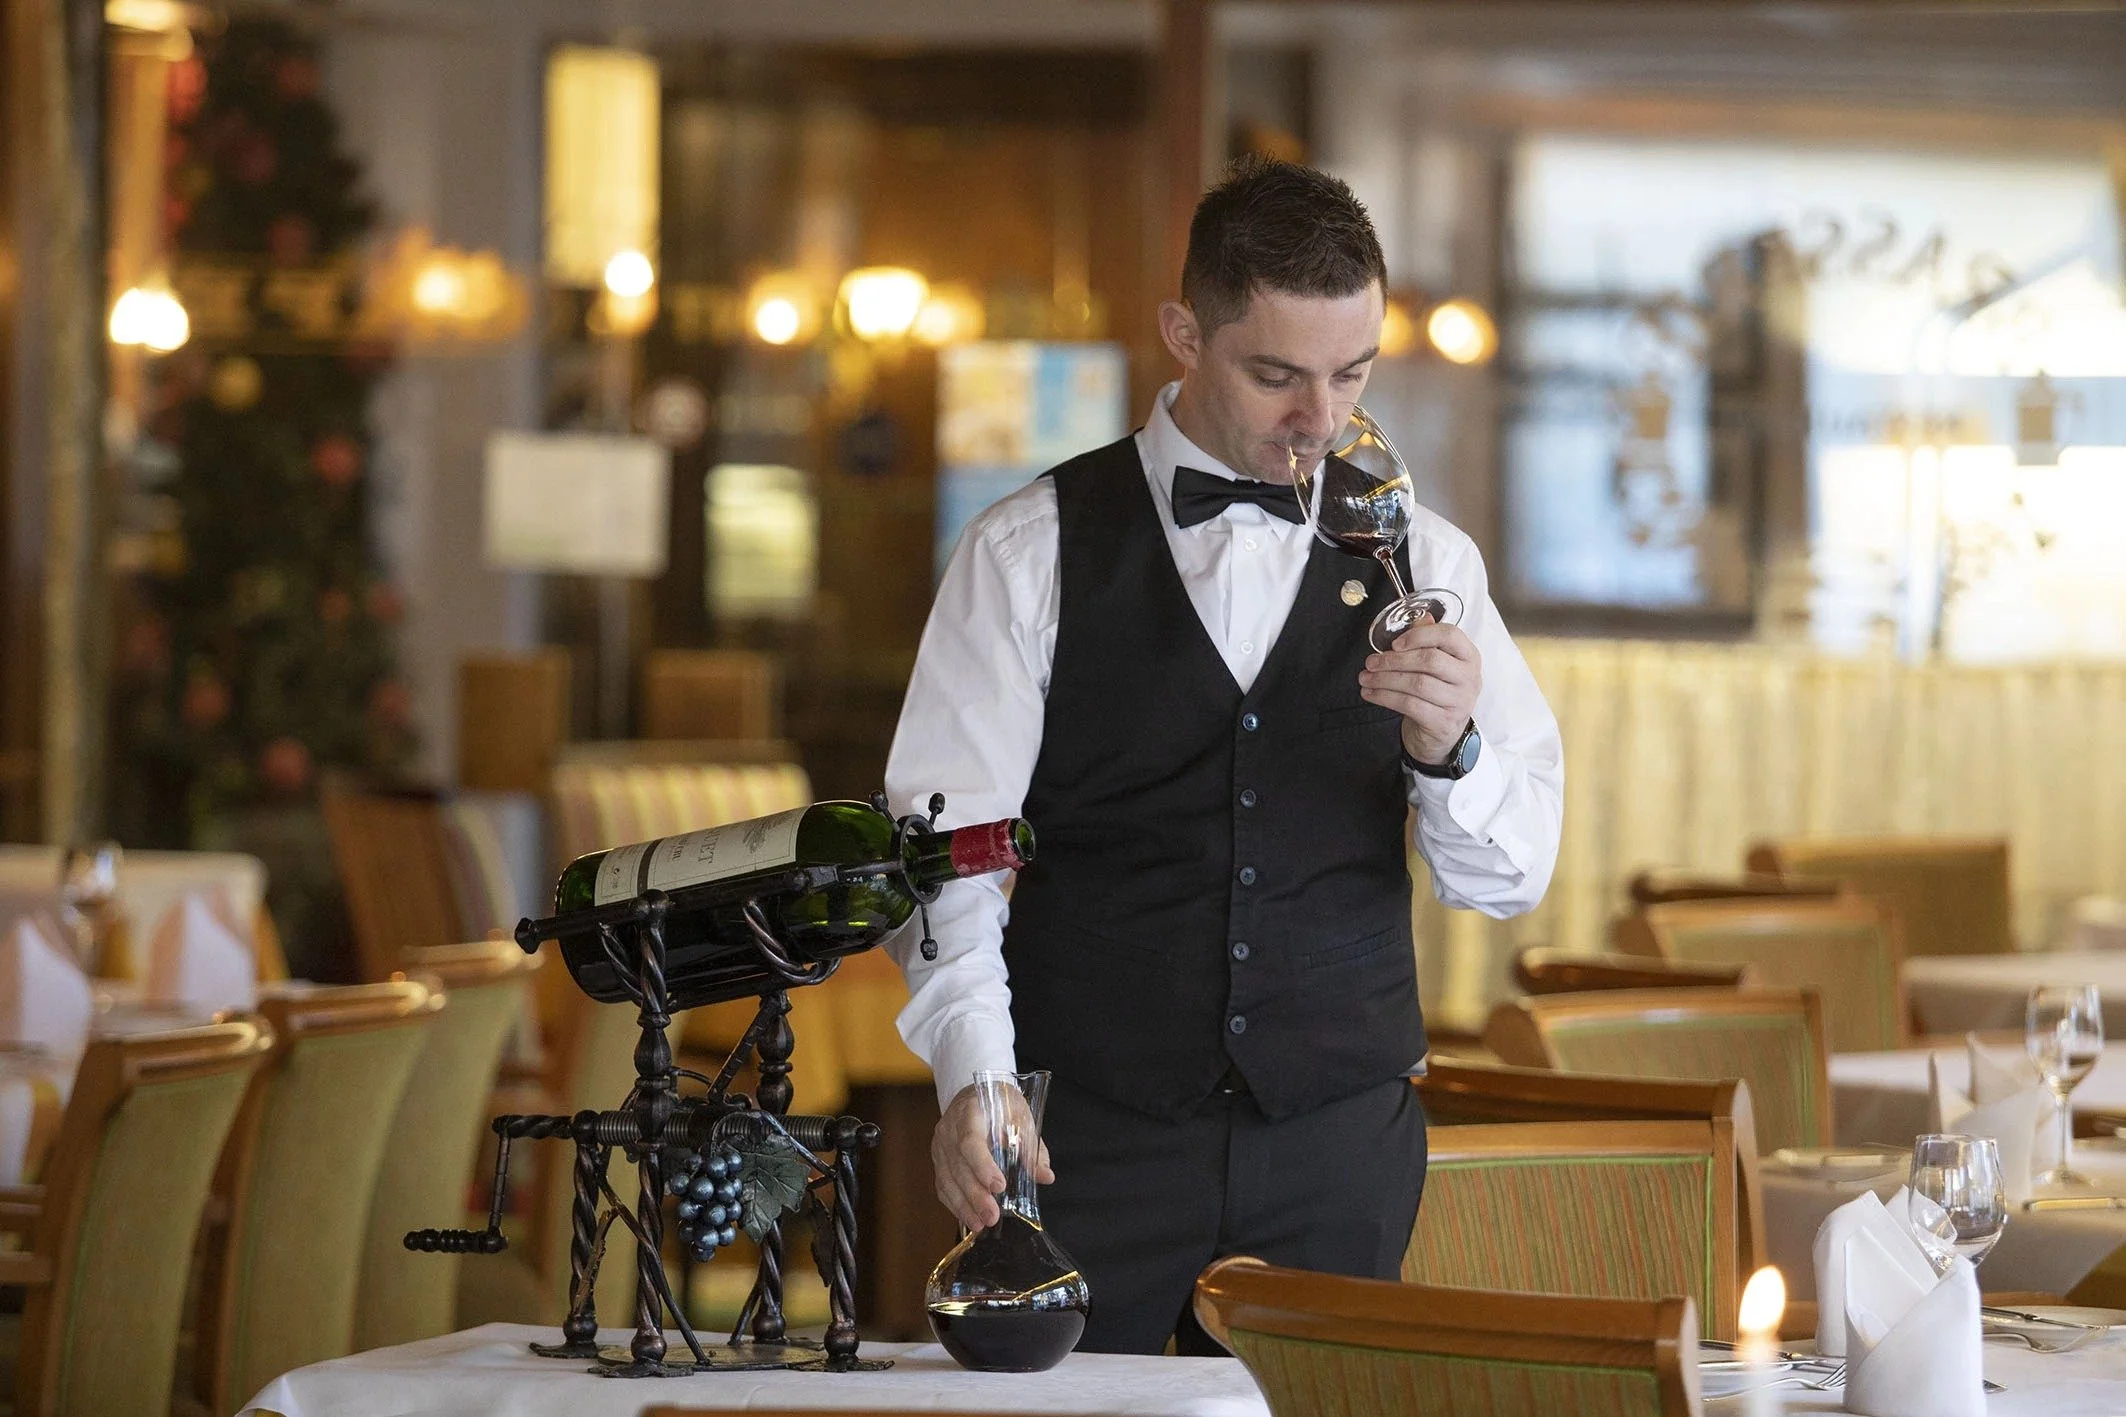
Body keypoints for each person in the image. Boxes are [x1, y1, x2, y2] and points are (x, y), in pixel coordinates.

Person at [883, 156, 1564, 1355]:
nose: (1320, 419)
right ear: (1183, 334)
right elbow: (945, 856)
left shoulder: (1428, 563)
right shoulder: (1026, 551)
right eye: (1276, 376)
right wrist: (973, 1076)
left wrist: (1452, 750)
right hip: (1088, 1139)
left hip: (1337, 1146)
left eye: (1350, 374)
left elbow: (1506, 878)